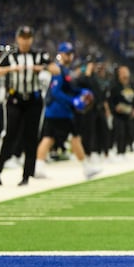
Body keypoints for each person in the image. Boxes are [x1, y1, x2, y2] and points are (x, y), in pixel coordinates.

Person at [0, 26, 55, 186]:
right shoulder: (11, 56)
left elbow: (56, 69)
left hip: (34, 100)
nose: (25, 40)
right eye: (23, 37)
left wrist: (41, 67)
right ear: (18, 38)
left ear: (32, 39)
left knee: (31, 137)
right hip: (14, 98)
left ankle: (27, 175)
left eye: (28, 37)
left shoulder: (39, 55)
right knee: (9, 134)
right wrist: (11, 69)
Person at [33, 42, 103, 182]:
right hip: (58, 111)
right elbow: (56, 92)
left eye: (71, 54)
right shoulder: (58, 70)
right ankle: (86, 168)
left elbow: (69, 88)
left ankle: (38, 168)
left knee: (49, 138)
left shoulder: (65, 70)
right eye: (67, 54)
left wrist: (81, 92)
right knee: (73, 137)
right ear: (61, 54)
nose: (70, 56)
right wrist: (72, 101)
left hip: (58, 111)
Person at [108, 65, 134, 157]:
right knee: (119, 132)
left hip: (128, 114)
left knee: (128, 132)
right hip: (117, 115)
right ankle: (118, 151)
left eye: (126, 72)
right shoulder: (114, 86)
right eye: (123, 73)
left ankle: (123, 151)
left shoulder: (131, 86)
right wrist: (113, 109)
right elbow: (110, 100)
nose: (126, 75)